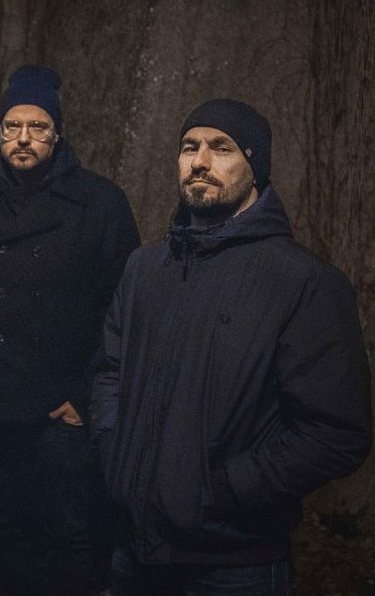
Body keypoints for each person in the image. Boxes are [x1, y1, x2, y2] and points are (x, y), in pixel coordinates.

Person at [90, 98, 371, 594]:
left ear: (254, 166)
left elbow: (335, 432)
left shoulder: (303, 282)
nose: (200, 161)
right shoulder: (144, 269)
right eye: (189, 147)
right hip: (133, 553)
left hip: (233, 563)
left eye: (221, 148)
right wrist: (116, 451)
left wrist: (223, 490)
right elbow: (110, 370)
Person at [0, 65, 140, 594]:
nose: (23, 138)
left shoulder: (100, 204)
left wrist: (86, 395)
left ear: (57, 135)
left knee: (66, 535)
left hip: (60, 409)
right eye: (12, 127)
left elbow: (126, 310)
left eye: (37, 127)